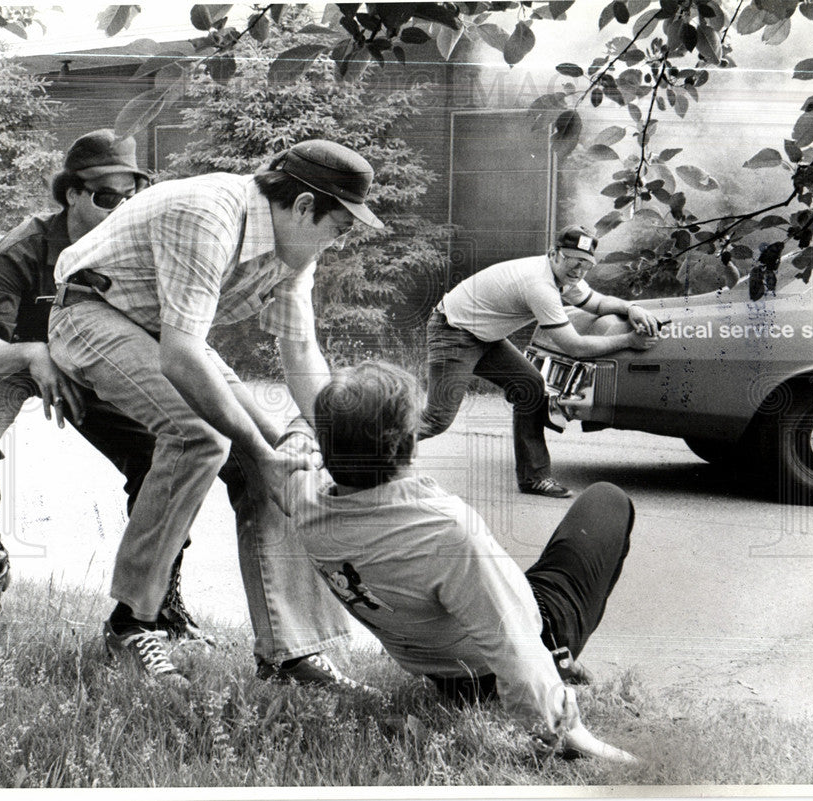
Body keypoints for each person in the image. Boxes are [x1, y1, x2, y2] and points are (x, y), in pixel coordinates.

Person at [47, 139, 383, 685]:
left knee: (283, 458)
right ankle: (131, 625)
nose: (337, 244)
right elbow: (181, 357)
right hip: (90, 314)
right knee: (201, 436)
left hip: (155, 330)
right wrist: (257, 449)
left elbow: (301, 352)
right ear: (302, 207)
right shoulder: (208, 212)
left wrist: (329, 445)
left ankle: (287, 652)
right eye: (339, 228)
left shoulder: (291, 249)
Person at [281, 361, 638, 761]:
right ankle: (559, 657)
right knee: (607, 500)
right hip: (509, 653)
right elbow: (512, 638)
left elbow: (294, 443)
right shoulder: (445, 529)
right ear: (409, 445)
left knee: (505, 580)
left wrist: (298, 437)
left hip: (442, 671)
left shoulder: (303, 500)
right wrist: (560, 728)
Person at [0, 129, 159, 620]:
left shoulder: (135, 243)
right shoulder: (22, 247)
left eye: (132, 196)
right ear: (72, 194)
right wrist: (35, 355)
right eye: (108, 198)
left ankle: (157, 594)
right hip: (15, 356)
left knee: (158, 456)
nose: (122, 209)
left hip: (89, 358)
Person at [419, 225, 661, 499]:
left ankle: (534, 479)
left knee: (530, 387)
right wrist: (629, 341)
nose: (579, 270)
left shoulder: (565, 277)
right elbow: (575, 346)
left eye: (586, 264)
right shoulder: (539, 285)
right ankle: (367, 453)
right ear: (554, 253)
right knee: (436, 419)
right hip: (454, 331)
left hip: (483, 334)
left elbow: (596, 303)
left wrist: (631, 307)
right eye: (573, 260)